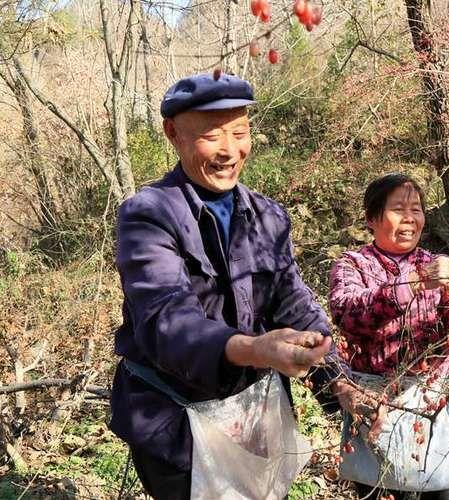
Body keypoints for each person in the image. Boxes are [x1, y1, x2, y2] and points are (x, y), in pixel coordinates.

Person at [109, 71, 361, 499]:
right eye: (211, 135)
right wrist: (255, 349)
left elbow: (293, 302)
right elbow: (168, 324)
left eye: (240, 132)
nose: (230, 151)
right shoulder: (148, 216)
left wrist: (338, 381)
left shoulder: (267, 216)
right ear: (174, 133)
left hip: (253, 411)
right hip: (175, 421)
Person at [329, 173, 449, 500]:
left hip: (435, 402)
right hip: (377, 408)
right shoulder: (354, 265)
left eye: (417, 208)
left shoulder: (435, 263)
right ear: (372, 218)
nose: (410, 218)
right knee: (389, 490)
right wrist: (412, 284)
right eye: (399, 209)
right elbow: (348, 314)